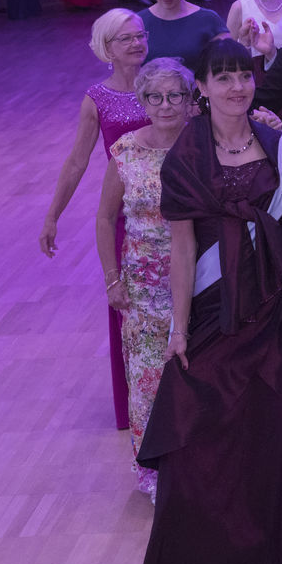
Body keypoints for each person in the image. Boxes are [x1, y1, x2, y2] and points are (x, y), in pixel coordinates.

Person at [137, 38, 282, 564]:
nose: (237, 87)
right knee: (200, 434)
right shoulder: (185, 156)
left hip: (279, 305)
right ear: (202, 88)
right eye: (223, 77)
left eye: (245, 76)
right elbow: (183, 251)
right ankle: (214, 562)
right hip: (215, 310)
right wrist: (179, 330)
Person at [41, 8, 153, 431]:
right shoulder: (97, 98)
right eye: (127, 38)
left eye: (140, 35)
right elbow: (77, 161)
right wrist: (52, 216)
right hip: (126, 214)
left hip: (174, 207)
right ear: (107, 47)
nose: (137, 43)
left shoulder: (162, 85)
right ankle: (137, 407)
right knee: (129, 306)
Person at [95, 57, 194, 502]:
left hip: (202, 281)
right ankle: (153, 472)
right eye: (155, 97)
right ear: (142, 101)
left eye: (175, 95)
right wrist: (112, 280)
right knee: (148, 381)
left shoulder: (204, 146)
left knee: (198, 378)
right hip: (143, 290)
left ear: (190, 100)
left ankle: (199, 465)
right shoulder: (126, 151)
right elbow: (105, 218)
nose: (166, 105)